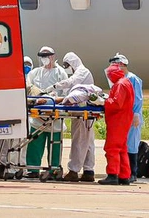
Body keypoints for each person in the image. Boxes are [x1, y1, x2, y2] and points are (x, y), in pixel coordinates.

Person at [48, 52, 96, 183]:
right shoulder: (79, 73)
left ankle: (74, 171)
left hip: (81, 112)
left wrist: (55, 86)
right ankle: (88, 171)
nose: (66, 68)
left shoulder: (82, 72)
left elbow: (71, 82)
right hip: (85, 112)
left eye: (67, 65)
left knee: (79, 141)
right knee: (88, 142)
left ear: (72, 62)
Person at [25, 46, 68, 178]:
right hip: (37, 115)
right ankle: (33, 169)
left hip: (54, 115)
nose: (45, 59)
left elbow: (66, 93)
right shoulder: (35, 73)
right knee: (35, 143)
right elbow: (28, 88)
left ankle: (54, 169)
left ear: (53, 57)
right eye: (42, 56)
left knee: (55, 145)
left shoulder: (61, 73)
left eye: (47, 56)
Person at [98, 61, 134, 185]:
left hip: (118, 120)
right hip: (123, 119)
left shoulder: (120, 84)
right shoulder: (125, 82)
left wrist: (103, 102)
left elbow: (116, 103)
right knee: (122, 148)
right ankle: (124, 176)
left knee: (112, 147)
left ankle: (113, 174)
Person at [110, 53, 143, 183]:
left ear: (123, 65)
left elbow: (138, 98)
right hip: (123, 117)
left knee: (132, 143)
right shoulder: (119, 80)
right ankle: (123, 172)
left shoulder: (133, 79)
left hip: (132, 115)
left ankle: (133, 173)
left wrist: (136, 114)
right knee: (124, 143)